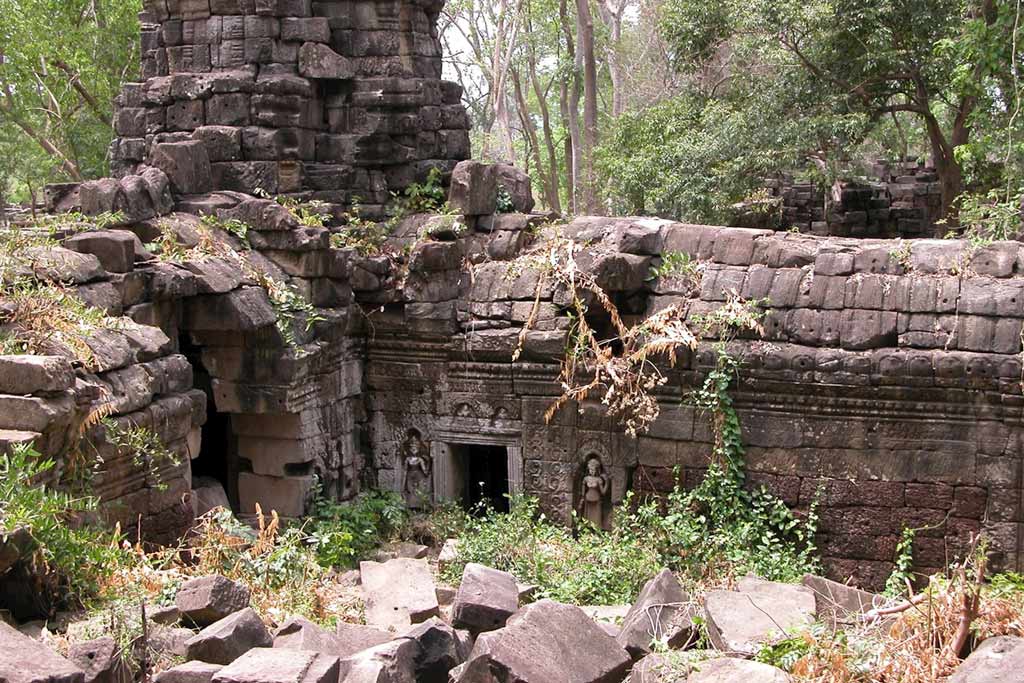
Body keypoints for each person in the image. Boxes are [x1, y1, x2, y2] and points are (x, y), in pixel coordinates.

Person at [402, 430, 432, 509]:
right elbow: (405, 471)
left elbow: (425, 472)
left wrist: (428, 462)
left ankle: (420, 507)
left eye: (415, 447)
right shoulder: (408, 459)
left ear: (418, 448)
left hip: (419, 476)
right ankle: (411, 507)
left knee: (419, 491)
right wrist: (402, 484)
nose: (413, 449)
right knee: (411, 491)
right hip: (410, 477)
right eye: (412, 448)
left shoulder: (420, 459)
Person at [578, 456, 609, 529]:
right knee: (587, 518)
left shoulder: (598, 480)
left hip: (596, 500)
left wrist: (607, 482)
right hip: (587, 500)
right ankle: (587, 530)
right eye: (590, 470)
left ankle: (596, 531)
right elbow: (583, 491)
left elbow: (603, 492)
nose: (591, 471)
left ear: (597, 470)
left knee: (596, 519)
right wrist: (581, 499)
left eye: (593, 470)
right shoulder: (586, 479)